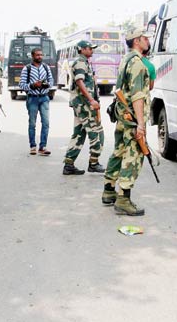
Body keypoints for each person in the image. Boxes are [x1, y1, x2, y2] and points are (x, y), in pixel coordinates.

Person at [103, 28, 153, 216]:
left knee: (119, 151)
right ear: (137, 41)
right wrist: (140, 124)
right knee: (133, 155)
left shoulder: (126, 59)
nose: (147, 41)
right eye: (145, 38)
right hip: (132, 117)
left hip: (123, 114)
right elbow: (138, 96)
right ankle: (123, 198)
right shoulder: (138, 64)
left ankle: (109, 190)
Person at [63, 40, 104, 175]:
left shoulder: (84, 62)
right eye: (89, 48)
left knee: (79, 133)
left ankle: (69, 164)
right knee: (96, 132)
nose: (92, 50)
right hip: (84, 104)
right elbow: (79, 81)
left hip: (81, 103)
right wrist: (91, 100)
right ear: (81, 49)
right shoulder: (80, 62)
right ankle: (94, 163)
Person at [19, 47, 54, 155]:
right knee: (32, 123)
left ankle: (43, 146)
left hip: (44, 98)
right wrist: (33, 85)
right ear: (33, 56)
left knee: (46, 123)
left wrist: (47, 84)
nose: (40, 57)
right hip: (32, 98)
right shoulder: (27, 69)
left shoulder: (46, 67)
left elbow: (51, 80)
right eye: (37, 55)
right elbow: (22, 84)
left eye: (41, 55)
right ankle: (33, 146)